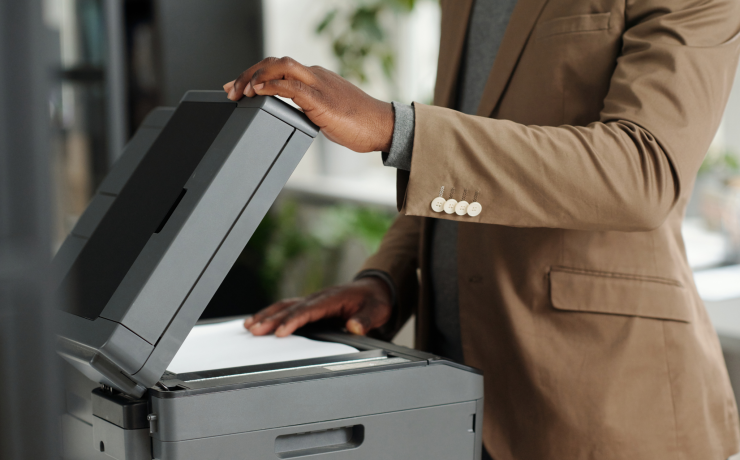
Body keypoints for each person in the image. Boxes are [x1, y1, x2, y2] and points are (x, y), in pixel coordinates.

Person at [223, 0, 740, 458]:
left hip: (605, 406)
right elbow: (469, 154)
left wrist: (393, 127)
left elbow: (645, 169)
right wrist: (387, 277)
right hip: (458, 392)